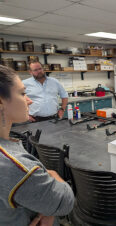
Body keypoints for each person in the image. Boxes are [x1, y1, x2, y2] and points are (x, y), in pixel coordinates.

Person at [0, 65, 74, 225]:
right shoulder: (15, 166)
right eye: (22, 93)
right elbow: (65, 201)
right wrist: (52, 173)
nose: (30, 100)